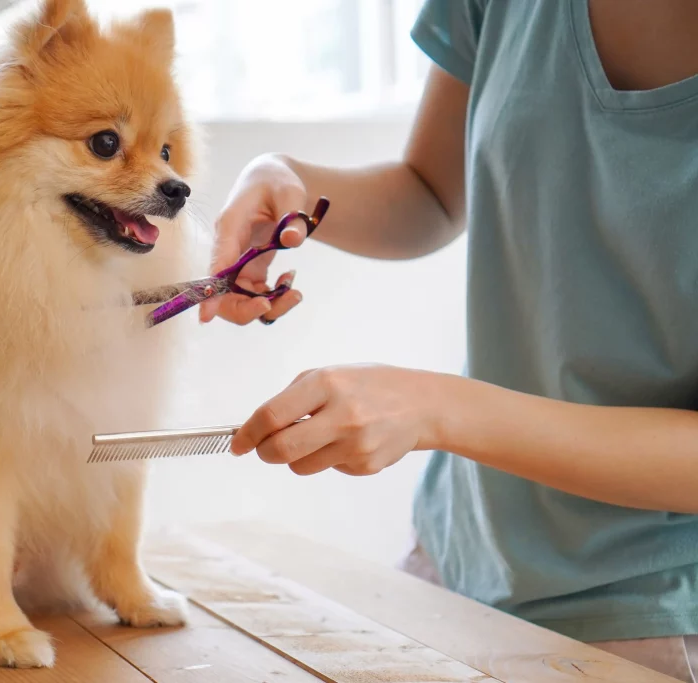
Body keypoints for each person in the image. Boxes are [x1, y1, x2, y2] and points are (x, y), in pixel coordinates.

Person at [203, 1, 698, 680]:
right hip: (455, 559)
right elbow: (432, 191)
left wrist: (440, 410)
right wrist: (288, 181)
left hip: (651, 617)